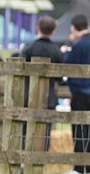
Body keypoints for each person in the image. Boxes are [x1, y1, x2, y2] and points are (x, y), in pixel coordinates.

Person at [60, 14, 90, 174]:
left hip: (80, 90)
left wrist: (66, 52)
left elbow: (68, 65)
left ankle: (78, 168)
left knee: (78, 128)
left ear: (74, 27)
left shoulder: (78, 45)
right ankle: (89, 168)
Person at [21, 15, 64, 152]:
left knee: (25, 128)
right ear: (53, 31)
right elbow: (59, 77)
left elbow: (21, 70)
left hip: (29, 95)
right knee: (45, 129)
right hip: (48, 97)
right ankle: (41, 159)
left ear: (37, 28)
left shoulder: (29, 48)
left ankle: (24, 158)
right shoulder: (56, 51)